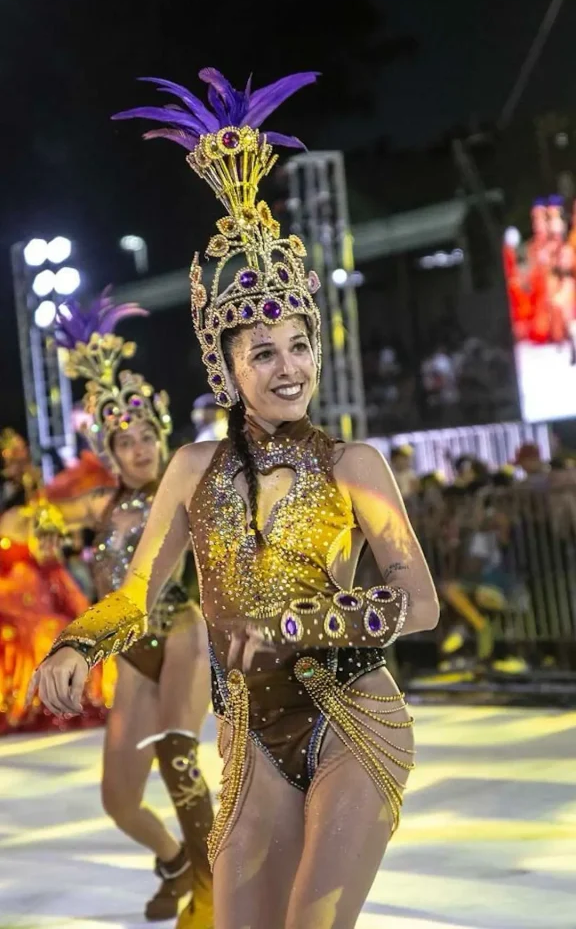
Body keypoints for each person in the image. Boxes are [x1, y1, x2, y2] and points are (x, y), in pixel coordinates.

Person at [32, 66, 439, 929]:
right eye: (264, 351)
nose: (288, 366)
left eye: (299, 344)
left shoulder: (354, 465)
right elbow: (139, 594)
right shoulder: (191, 469)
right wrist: (78, 644)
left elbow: (420, 601)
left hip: (351, 718)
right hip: (252, 736)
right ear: (224, 366)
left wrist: (297, 625)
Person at [40, 292, 213, 929]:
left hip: (185, 633)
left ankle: (211, 888)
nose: (140, 449)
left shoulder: (188, 488)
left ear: (163, 437)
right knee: (118, 800)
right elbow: (31, 520)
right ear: (109, 452)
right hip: (131, 651)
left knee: (178, 753)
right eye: (126, 440)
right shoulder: (100, 507)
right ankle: (173, 860)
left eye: (148, 436)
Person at [0, 495, 106, 732]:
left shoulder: (31, 516)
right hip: (9, 599)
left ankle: (54, 701)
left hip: (32, 597)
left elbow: (51, 563)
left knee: (56, 629)